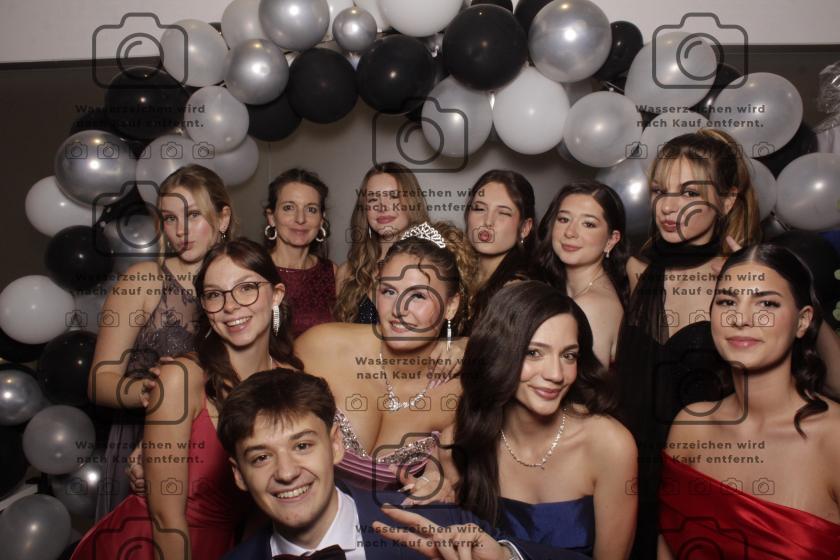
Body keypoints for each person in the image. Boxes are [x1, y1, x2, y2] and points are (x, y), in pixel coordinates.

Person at [73, 239, 303, 560]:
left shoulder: (291, 380)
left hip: (231, 548)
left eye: (246, 288)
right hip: (153, 544)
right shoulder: (181, 379)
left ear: (276, 295)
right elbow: (165, 518)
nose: (231, 306)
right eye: (214, 295)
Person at [217, 368, 590, 560]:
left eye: (302, 445)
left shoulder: (438, 527)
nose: (286, 472)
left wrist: (505, 559)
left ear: (335, 445)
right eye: (261, 457)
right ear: (238, 474)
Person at [613, 128, 762, 559]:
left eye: (690, 192)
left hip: (707, 482)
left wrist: (761, 278)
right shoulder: (637, 272)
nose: (668, 206)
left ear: (727, 201)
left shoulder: (742, 284)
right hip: (628, 477)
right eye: (661, 191)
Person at [659, 244, 840, 559]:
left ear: (802, 322)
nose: (740, 318)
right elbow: (667, 545)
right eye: (727, 301)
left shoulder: (833, 437)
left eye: (766, 303)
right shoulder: (692, 425)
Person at [432, 282, 636, 558]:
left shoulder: (610, 445)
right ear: (498, 352)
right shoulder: (460, 441)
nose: (555, 374)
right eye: (533, 353)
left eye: (568, 356)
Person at [88, 164, 235, 519]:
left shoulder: (243, 284)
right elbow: (99, 382)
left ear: (223, 218)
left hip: (222, 442)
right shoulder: (144, 280)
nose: (181, 230)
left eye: (194, 215)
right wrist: (155, 393)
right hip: (144, 441)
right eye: (170, 218)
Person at [296, 221, 476, 491]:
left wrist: (444, 483)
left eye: (418, 296)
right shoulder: (323, 347)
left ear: (451, 306)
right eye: (389, 291)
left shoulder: (461, 391)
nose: (399, 309)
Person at [534, 181, 628, 366]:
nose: (570, 232)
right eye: (564, 219)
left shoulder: (591, 306)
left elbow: (588, 384)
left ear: (611, 240)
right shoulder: (562, 289)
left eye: (588, 224)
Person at [335, 162, 431, 324]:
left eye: (393, 196)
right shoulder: (347, 273)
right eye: (373, 199)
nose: (382, 207)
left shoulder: (432, 266)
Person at [264, 168, 337, 337]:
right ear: (272, 217)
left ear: (321, 219)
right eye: (289, 208)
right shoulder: (254, 270)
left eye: (311, 209)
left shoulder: (332, 273)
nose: (300, 219)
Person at [462, 170, 535, 332]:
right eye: (479, 209)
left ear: (524, 228)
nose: (488, 221)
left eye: (503, 213)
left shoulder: (517, 290)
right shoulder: (458, 271)